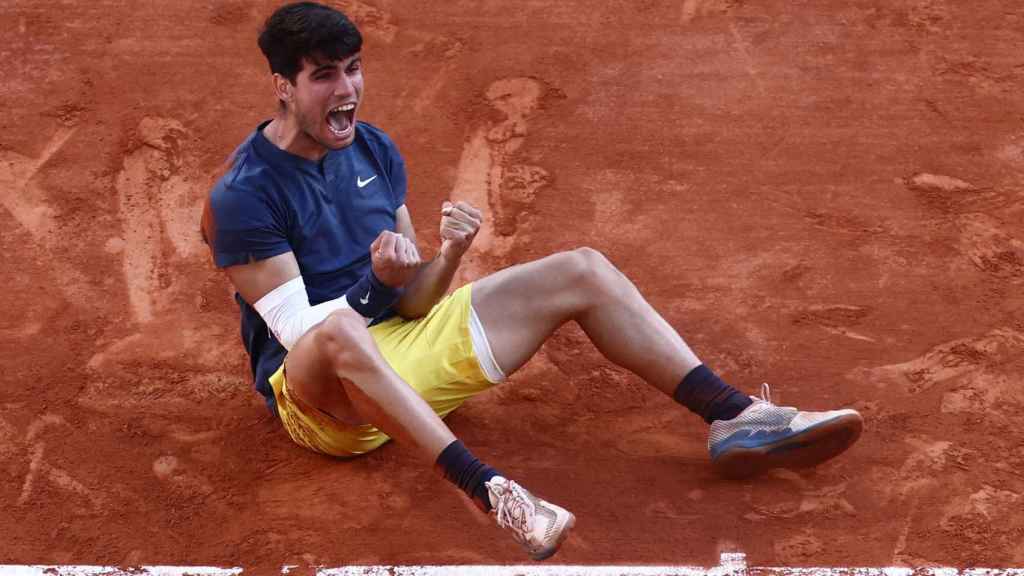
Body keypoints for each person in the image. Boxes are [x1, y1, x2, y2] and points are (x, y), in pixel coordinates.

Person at [201, 1, 864, 561]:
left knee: (582, 269)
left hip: (401, 354)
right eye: (324, 77)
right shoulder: (243, 197)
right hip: (326, 406)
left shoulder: (373, 148)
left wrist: (451, 255)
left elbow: (417, 302)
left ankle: (736, 416)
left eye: (353, 69)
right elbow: (304, 338)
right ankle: (494, 493)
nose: (347, 90)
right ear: (283, 86)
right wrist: (377, 286)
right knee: (344, 327)